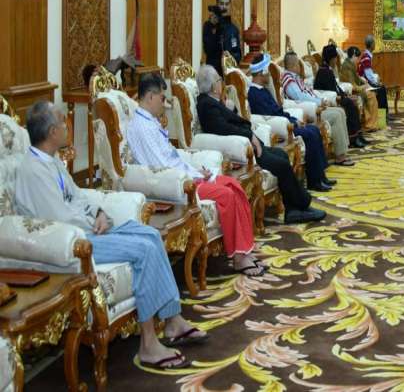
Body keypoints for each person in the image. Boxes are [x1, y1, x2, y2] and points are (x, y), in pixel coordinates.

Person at [15, 101, 207, 370]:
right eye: (63, 123)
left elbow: (78, 197)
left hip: (91, 228)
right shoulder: (33, 171)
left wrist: (100, 213)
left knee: (151, 235)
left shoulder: (51, 159)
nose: (68, 127)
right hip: (75, 243)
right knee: (144, 250)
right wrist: (93, 222)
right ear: (52, 132)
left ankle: (173, 321)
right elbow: (59, 219)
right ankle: (149, 345)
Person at [126, 73, 265, 276]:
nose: (164, 104)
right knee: (226, 195)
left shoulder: (150, 121)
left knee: (234, 185)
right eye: (162, 98)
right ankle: (238, 258)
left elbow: (171, 158)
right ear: (150, 97)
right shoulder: (141, 127)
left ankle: (245, 250)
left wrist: (196, 171)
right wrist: (192, 177)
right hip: (177, 186)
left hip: (186, 176)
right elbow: (160, 167)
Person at [194, 65, 326, 226]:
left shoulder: (213, 101)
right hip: (241, 150)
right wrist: (250, 136)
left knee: (282, 155)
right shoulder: (206, 104)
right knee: (282, 164)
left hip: (247, 144)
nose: (222, 83)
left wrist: (230, 107)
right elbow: (222, 128)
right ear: (214, 86)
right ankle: (300, 206)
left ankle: (293, 209)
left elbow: (229, 121)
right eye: (219, 80)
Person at [247, 54, 336, 191]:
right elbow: (270, 116)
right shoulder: (255, 94)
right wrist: (293, 124)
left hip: (285, 122)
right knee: (310, 134)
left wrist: (294, 120)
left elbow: (279, 110)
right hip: (279, 128)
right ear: (261, 73)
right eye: (267, 71)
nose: (269, 74)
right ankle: (314, 181)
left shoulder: (263, 90)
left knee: (314, 130)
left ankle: (320, 177)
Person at [281, 52, 356, 165]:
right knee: (336, 116)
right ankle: (340, 156)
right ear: (294, 65)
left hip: (316, 106)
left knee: (340, 111)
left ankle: (343, 151)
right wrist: (319, 102)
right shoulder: (288, 79)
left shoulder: (295, 77)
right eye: (298, 64)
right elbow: (299, 97)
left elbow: (309, 92)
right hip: (310, 110)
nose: (300, 66)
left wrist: (322, 99)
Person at [314, 44, 368, 148]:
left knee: (352, 101)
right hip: (329, 100)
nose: (336, 61)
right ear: (332, 59)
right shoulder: (324, 72)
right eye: (335, 58)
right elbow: (332, 91)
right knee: (350, 104)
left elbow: (336, 87)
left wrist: (346, 95)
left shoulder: (327, 69)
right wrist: (345, 98)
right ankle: (353, 138)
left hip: (335, 96)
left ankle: (358, 136)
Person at [341, 46, 383, 130]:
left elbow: (356, 77)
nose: (358, 60)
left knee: (376, 92)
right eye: (357, 57)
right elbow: (353, 86)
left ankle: (374, 122)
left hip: (356, 88)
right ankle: (370, 124)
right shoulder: (347, 67)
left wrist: (363, 81)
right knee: (371, 95)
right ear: (353, 55)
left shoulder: (350, 64)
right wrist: (364, 87)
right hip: (350, 91)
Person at [202, 0, 242, 76]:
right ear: (217, 4)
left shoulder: (233, 29)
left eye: (227, 4)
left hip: (230, 73)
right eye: (221, 4)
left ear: (230, 6)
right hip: (214, 73)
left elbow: (238, 53)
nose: (224, 7)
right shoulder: (208, 25)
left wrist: (230, 58)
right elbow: (207, 49)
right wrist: (212, 27)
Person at [357, 34, 392, 120]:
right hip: (364, 83)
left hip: (366, 81)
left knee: (382, 88)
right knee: (381, 89)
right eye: (374, 43)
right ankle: (382, 116)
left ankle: (383, 115)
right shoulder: (366, 57)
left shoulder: (367, 55)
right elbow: (368, 75)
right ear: (372, 44)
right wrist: (377, 82)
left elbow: (369, 73)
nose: (375, 44)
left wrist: (376, 79)